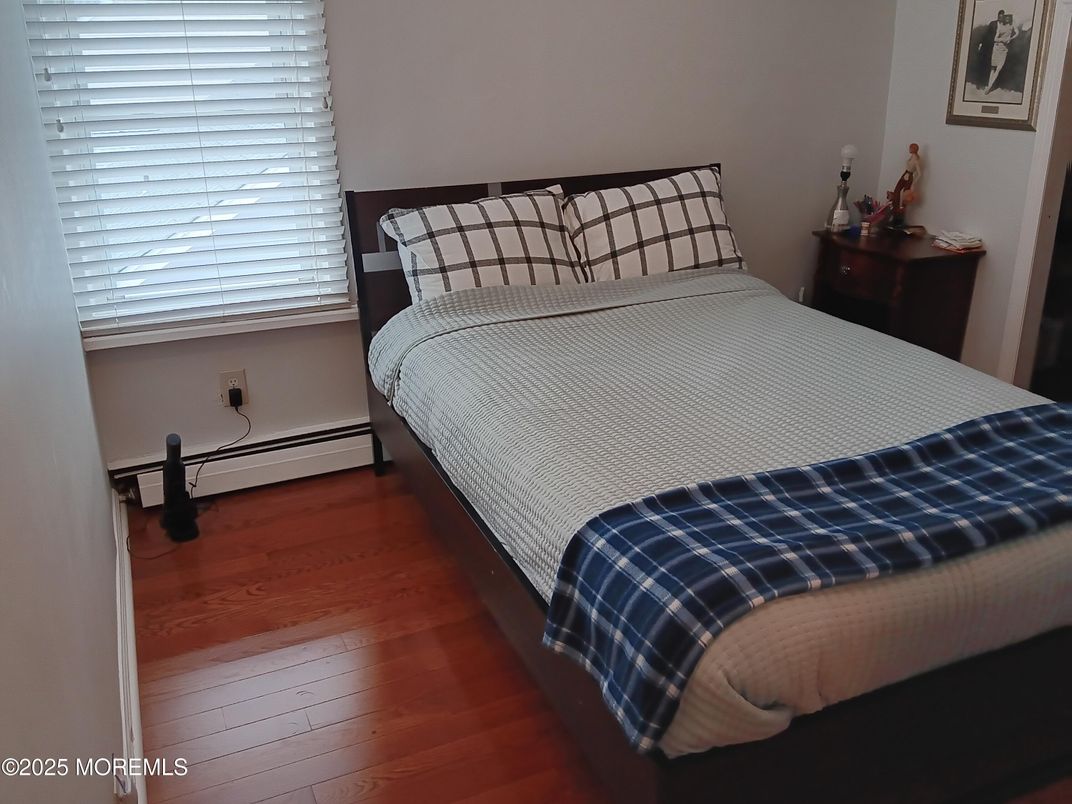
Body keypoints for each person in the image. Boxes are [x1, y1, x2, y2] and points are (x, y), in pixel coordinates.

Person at [986, 13, 1018, 94]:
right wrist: (1002, 40)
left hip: (1004, 49)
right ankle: (989, 86)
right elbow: (995, 39)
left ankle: (989, 87)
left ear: (1010, 19)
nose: (1007, 20)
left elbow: (1017, 33)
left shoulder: (1012, 25)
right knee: (993, 68)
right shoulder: (1000, 26)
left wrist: (1011, 38)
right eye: (1005, 18)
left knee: (999, 68)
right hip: (997, 48)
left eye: (1008, 18)